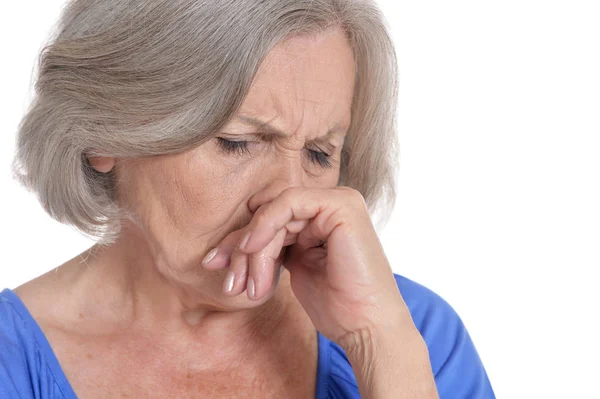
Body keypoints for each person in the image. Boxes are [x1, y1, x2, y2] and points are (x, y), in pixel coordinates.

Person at [0, 0, 495, 397]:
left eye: (320, 154)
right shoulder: (12, 362)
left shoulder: (413, 332)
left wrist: (377, 347)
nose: (288, 196)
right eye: (237, 141)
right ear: (105, 133)